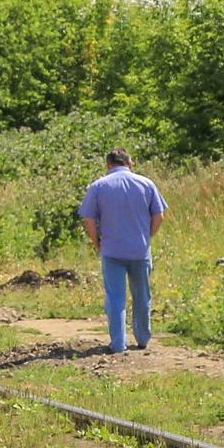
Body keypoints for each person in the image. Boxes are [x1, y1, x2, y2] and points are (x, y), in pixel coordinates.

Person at [78, 148, 168, 353]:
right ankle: (143, 338)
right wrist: (148, 236)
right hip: (140, 250)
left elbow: (89, 219)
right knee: (142, 295)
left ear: (108, 164)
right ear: (130, 163)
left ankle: (118, 344)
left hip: (112, 250)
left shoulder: (98, 186)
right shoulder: (146, 184)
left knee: (116, 298)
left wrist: (97, 243)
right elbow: (159, 215)